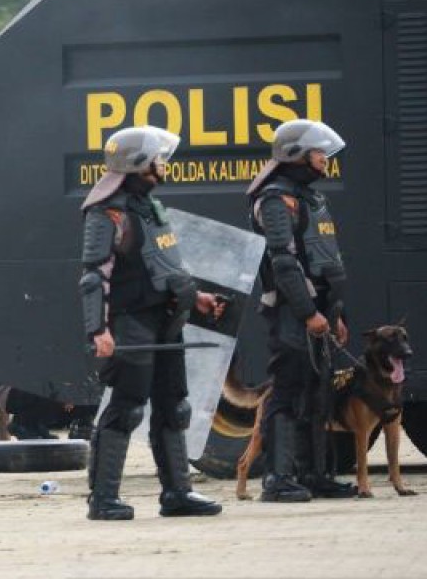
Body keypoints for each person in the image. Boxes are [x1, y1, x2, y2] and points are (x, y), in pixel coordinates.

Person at [79, 126, 224, 520]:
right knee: (126, 408)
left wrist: (197, 298)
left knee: (174, 406)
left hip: (167, 321)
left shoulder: (148, 207)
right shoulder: (108, 212)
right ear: (139, 163)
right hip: (131, 324)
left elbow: (164, 265)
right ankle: (103, 499)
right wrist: (98, 330)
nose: (163, 163)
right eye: (157, 158)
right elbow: (93, 276)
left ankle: (177, 493)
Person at [246, 119, 357, 502]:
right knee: (288, 391)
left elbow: (324, 259)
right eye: (318, 152)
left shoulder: (310, 198)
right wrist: (308, 313)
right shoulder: (275, 199)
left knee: (317, 394)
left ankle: (315, 475)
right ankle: (277, 479)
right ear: (296, 155)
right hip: (292, 313)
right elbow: (284, 263)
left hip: (320, 311)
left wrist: (335, 314)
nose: (325, 158)